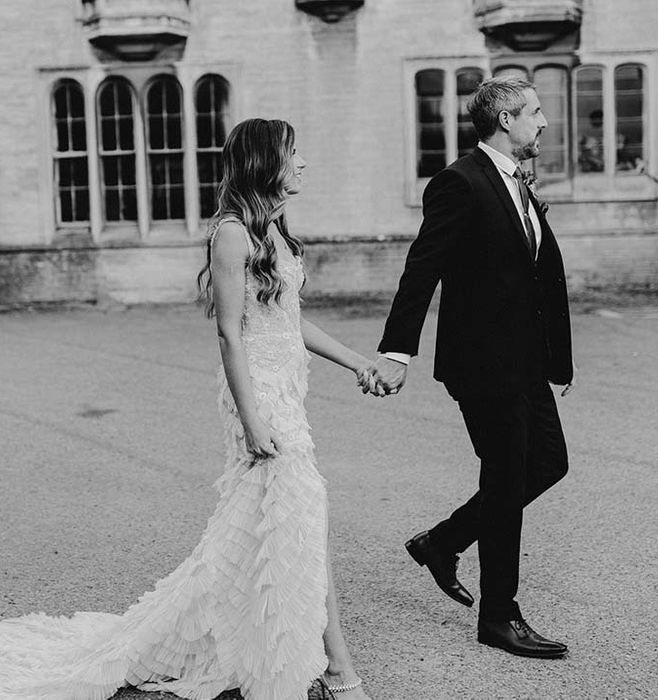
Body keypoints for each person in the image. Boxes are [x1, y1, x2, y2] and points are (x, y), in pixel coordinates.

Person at [0, 118, 373, 700]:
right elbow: (229, 334)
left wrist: (358, 362)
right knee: (304, 521)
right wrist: (252, 420)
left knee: (288, 527)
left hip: (287, 393)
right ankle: (338, 669)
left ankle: (301, 652)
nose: (302, 163)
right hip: (259, 399)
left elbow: (290, 322)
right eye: (293, 153)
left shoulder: (275, 230)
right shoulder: (232, 234)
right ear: (264, 162)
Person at [370, 77, 575, 659]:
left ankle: (444, 540)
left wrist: (555, 357)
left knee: (550, 463)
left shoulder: (518, 184)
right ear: (506, 120)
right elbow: (422, 268)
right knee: (507, 479)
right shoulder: (458, 182)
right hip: (483, 364)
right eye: (535, 112)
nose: (542, 122)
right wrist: (396, 351)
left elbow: (532, 275)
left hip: (526, 362)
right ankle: (498, 616)